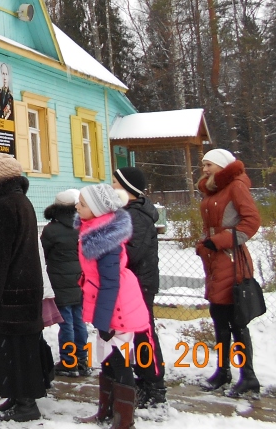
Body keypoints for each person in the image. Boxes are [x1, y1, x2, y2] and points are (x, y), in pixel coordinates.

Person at [73, 184, 151, 429]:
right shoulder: (93, 229)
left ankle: (124, 420)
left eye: (82, 204)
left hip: (117, 309)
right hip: (106, 307)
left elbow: (109, 283)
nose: (77, 207)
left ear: (97, 210)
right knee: (106, 359)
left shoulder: (105, 239)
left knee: (119, 361)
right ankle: (106, 411)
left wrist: (104, 321)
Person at [0, 153, 45, 422]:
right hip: (22, 286)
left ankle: (26, 404)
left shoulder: (4, 206)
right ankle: (16, 397)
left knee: (16, 347)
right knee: (18, 345)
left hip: (10, 290)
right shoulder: (20, 201)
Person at [195, 149, 262, 398]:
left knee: (237, 322)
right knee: (219, 320)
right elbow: (209, 226)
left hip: (232, 262)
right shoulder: (213, 190)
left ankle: (249, 377)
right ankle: (222, 372)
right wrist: (204, 244)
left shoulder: (236, 186)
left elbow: (251, 221)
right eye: (203, 165)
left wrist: (220, 240)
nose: (204, 169)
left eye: (209, 164)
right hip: (214, 262)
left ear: (222, 166)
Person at [112, 166, 166, 407]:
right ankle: (144, 378)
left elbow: (132, 252)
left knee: (145, 334)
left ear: (127, 188)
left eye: (115, 182)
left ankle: (154, 385)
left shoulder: (137, 216)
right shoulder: (128, 212)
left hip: (140, 283)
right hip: (132, 282)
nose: (111, 186)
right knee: (137, 334)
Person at [41, 189, 88, 379]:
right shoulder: (83, 226)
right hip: (80, 279)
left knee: (66, 322)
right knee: (79, 321)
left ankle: (69, 362)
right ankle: (82, 359)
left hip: (59, 280)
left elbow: (44, 252)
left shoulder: (51, 230)